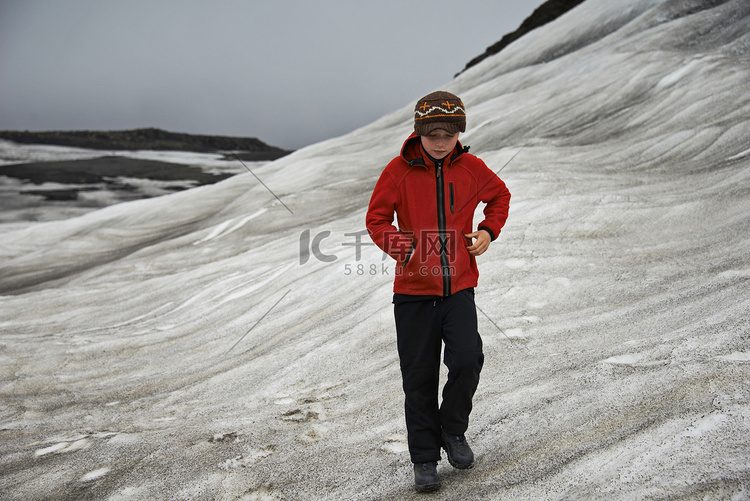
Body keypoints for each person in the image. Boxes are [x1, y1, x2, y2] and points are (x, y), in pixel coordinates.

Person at [366, 90, 511, 493]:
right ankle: (425, 459)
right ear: (419, 132)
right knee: (419, 378)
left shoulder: (471, 167)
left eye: (448, 133)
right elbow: (377, 219)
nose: (441, 140)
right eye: (432, 133)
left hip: (459, 288)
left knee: (467, 360)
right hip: (413, 293)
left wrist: (486, 231)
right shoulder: (397, 171)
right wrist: (403, 248)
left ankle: (453, 430)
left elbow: (499, 196)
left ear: (459, 132)